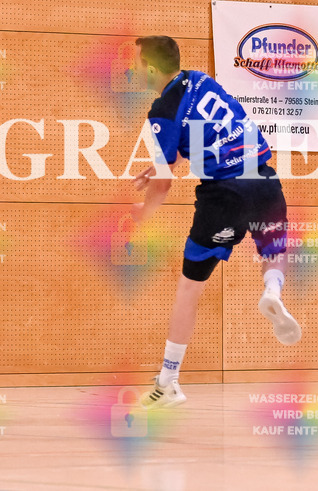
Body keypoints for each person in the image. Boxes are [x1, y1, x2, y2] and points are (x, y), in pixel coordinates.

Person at [129, 36, 301, 410]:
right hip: (265, 181)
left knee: (189, 288)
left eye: (138, 63)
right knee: (274, 250)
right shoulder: (201, 79)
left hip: (225, 196)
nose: (134, 68)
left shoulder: (162, 110)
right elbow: (204, 135)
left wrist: (138, 219)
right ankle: (272, 291)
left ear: (153, 69)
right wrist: (163, 162)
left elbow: (162, 185)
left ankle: (168, 381)